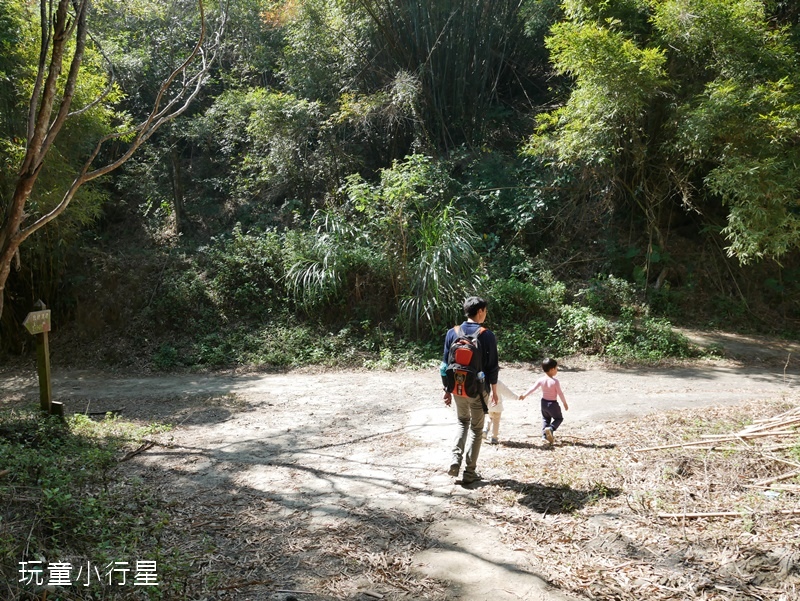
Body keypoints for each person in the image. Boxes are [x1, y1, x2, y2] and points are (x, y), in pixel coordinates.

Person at [441, 296, 499, 483]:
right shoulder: (487, 335)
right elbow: (492, 368)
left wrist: (447, 389)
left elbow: (444, 366)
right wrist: (495, 392)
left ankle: (454, 461)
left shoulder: (453, 332)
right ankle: (469, 473)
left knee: (461, 422)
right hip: (478, 389)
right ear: (480, 311)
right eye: (485, 311)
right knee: (476, 428)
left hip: (457, 388)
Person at [519, 358, 569, 445]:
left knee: (546, 419)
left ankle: (544, 437)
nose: (557, 370)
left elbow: (533, 388)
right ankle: (551, 429)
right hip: (552, 404)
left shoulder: (541, 379)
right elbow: (560, 393)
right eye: (556, 368)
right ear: (552, 369)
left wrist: (524, 395)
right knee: (558, 418)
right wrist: (564, 403)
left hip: (543, 403)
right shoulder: (555, 381)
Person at [483, 380, 517, 445]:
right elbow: (507, 392)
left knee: (489, 418)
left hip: (489, 406)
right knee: (496, 422)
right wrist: (516, 397)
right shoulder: (498, 383)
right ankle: (494, 438)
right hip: (498, 406)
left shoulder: (485, 382)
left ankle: (485, 430)